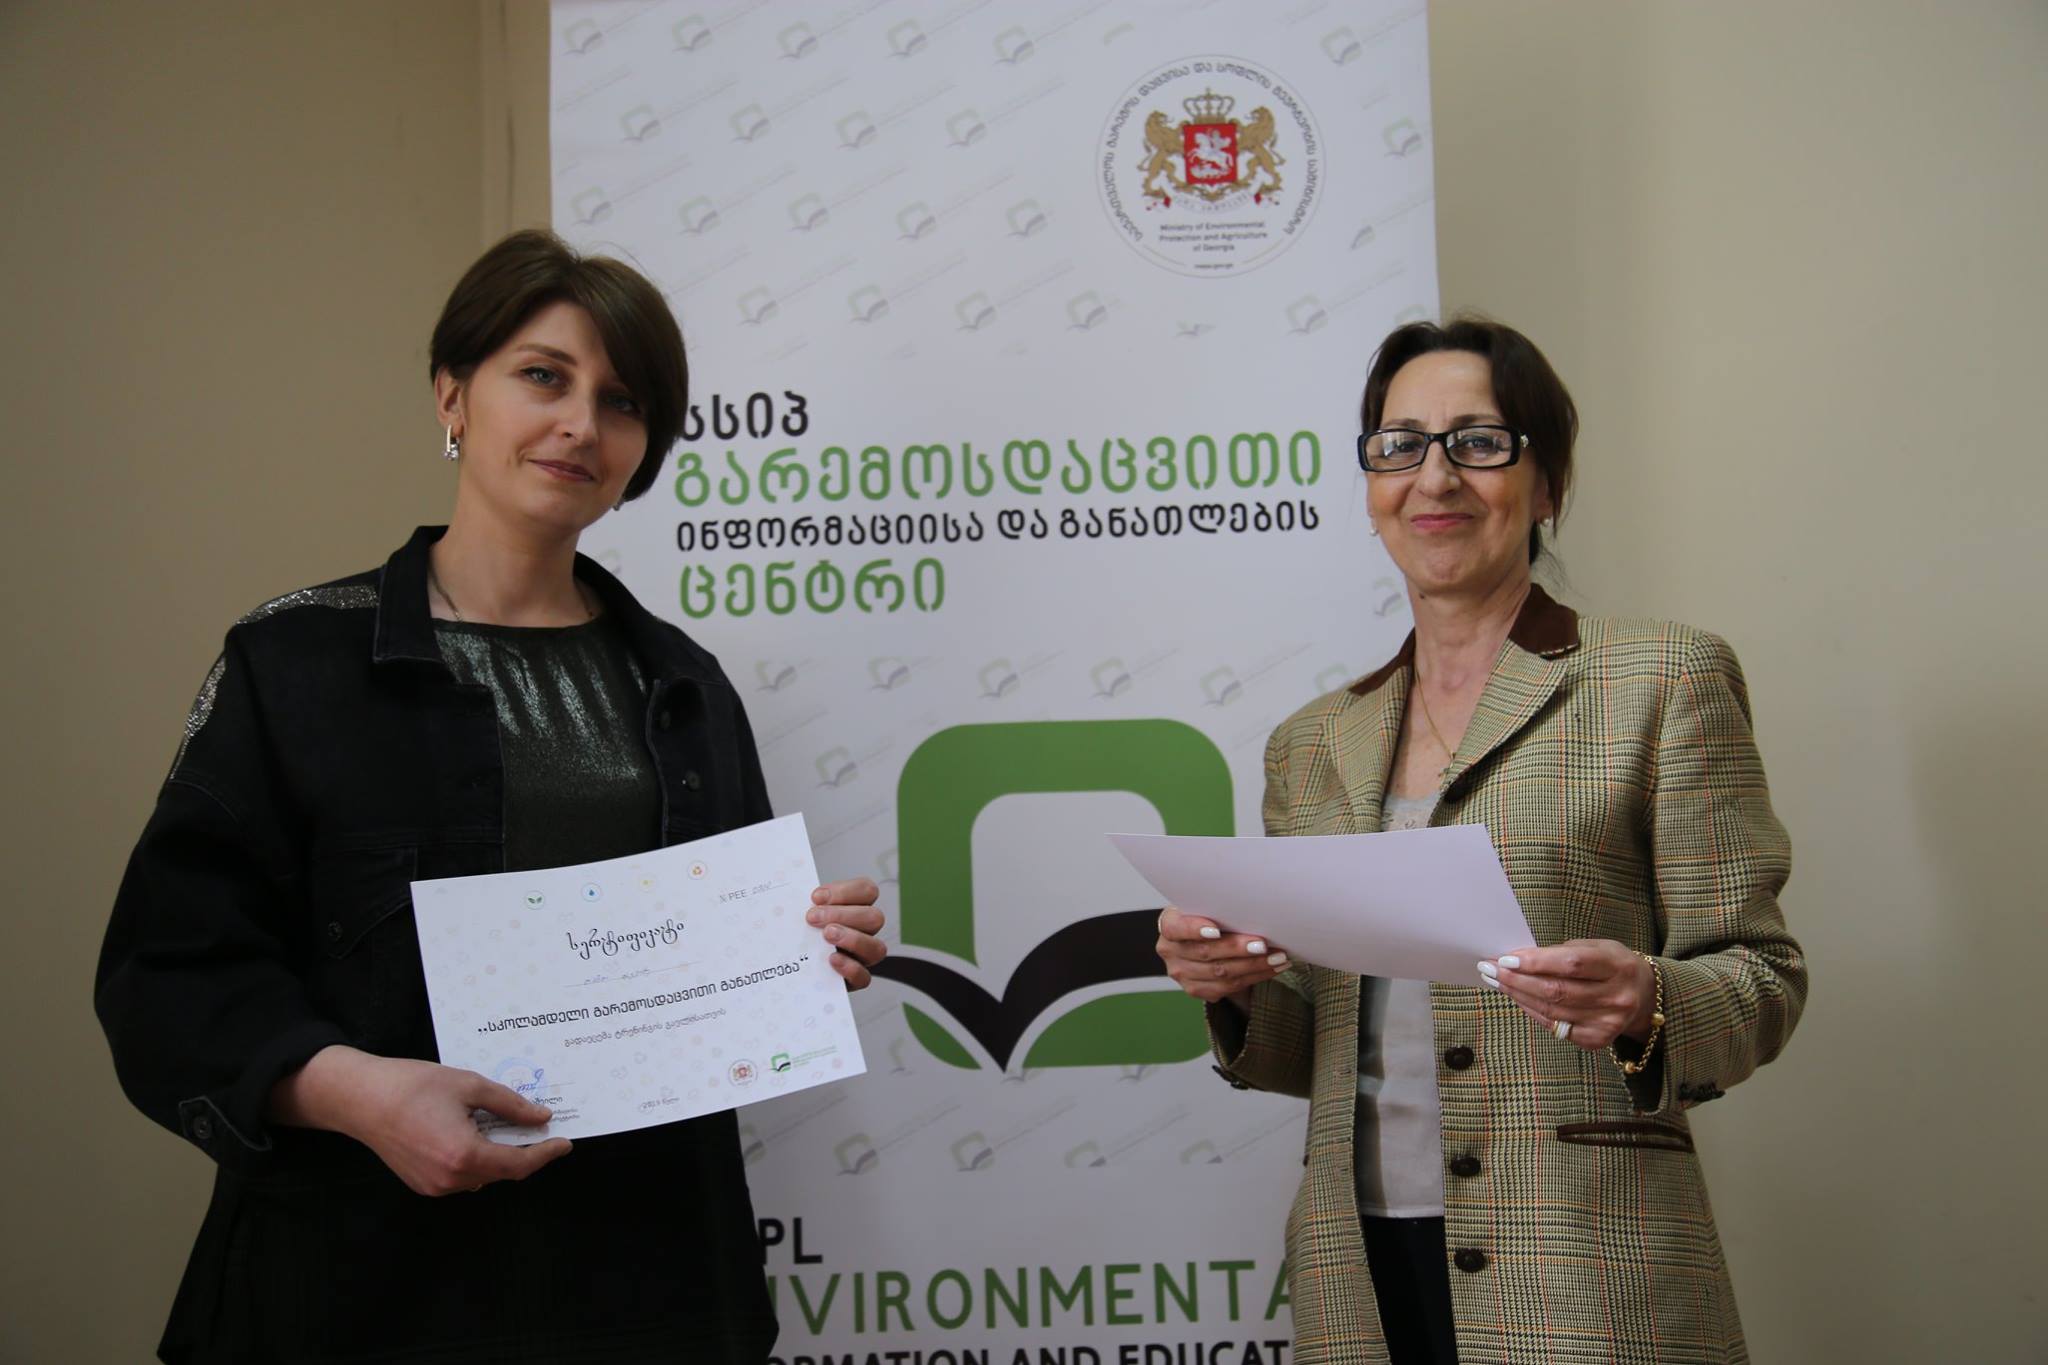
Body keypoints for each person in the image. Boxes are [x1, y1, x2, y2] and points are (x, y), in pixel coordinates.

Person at [94, 229, 887, 1364]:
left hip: (650, 1281)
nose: (580, 425)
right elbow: (167, 976)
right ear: (452, 395)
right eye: (543, 376)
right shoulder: (294, 663)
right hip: (356, 1286)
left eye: (621, 402)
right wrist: (354, 1095)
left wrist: (800, 951)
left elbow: (721, 979)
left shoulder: (684, 687)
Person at [1155, 317, 1806, 1364]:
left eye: (1479, 441)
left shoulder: (1661, 680)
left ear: (1547, 485)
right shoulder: (1309, 743)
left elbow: (1762, 978)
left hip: (1586, 1262)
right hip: (1357, 1270)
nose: (1435, 476)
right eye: (1400, 445)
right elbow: (1309, 1043)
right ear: (1372, 485)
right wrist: (1230, 985)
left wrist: (1648, 999)